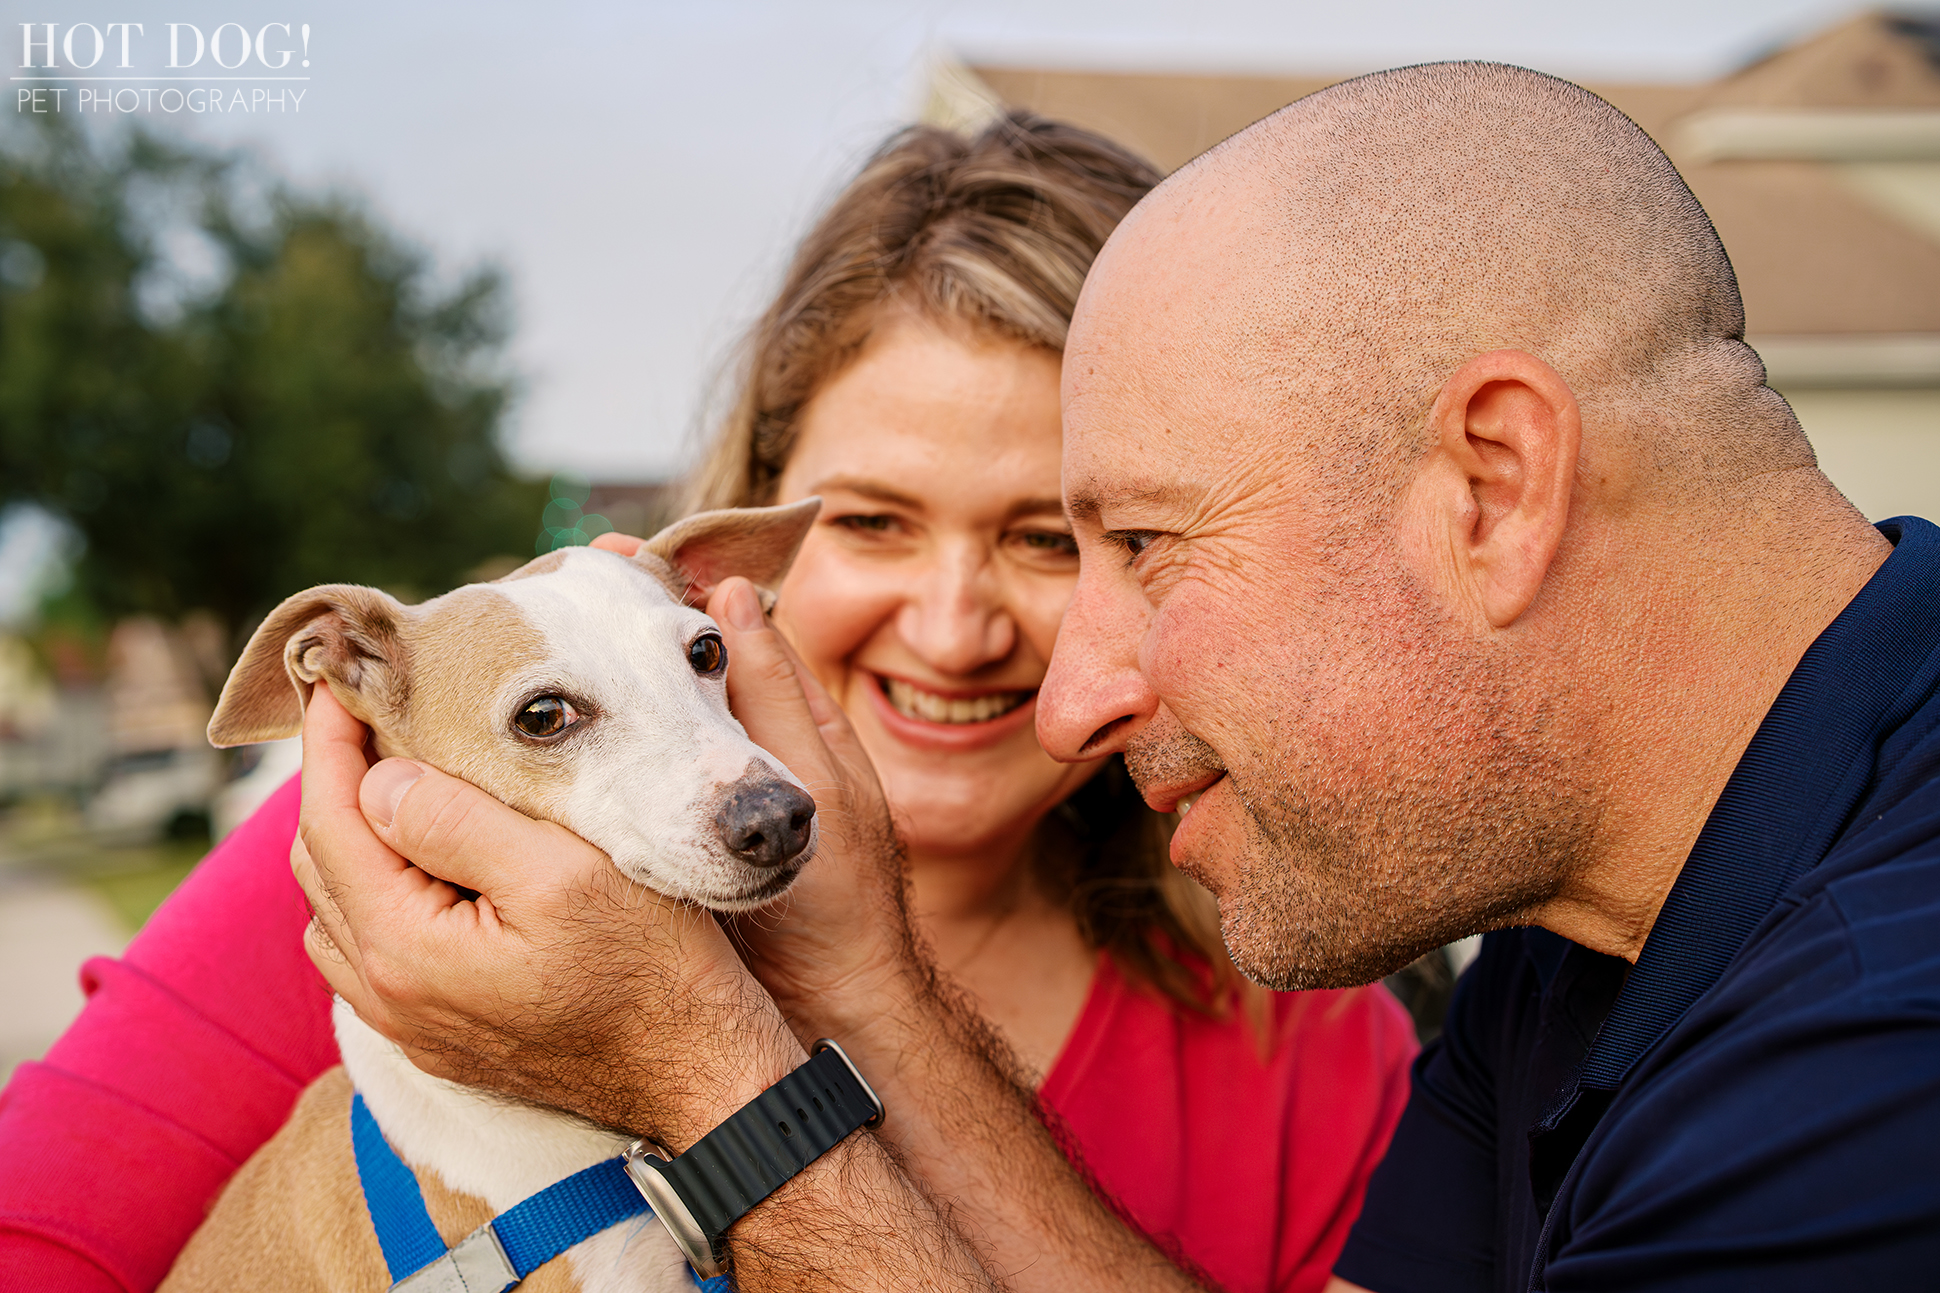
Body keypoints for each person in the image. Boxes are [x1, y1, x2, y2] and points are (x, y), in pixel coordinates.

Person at [243, 59, 1940, 1292]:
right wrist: (869, 987)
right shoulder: (1580, 934)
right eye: (878, 522)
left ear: (1493, 487)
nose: (1064, 692)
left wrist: (722, 1084)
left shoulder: (1877, 1056)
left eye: (1129, 543)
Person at [0, 115, 1415, 1293]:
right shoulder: (409, 876)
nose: (954, 623)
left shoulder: (1312, 1039)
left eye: (1052, 534)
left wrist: (798, 1029)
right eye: (867, 520)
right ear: (739, 551)